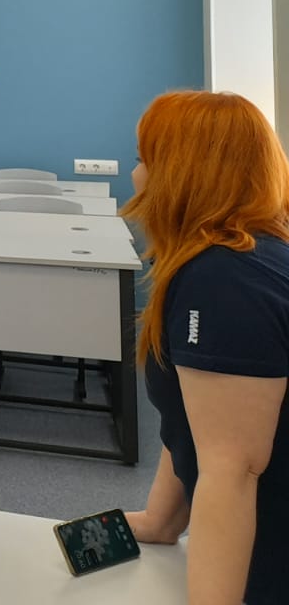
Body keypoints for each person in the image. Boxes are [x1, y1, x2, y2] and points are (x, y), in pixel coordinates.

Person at [121, 90, 289, 605]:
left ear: (180, 173)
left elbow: (232, 470)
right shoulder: (243, 257)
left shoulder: (223, 279)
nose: (135, 174)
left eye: (144, 159)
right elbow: (195, 416)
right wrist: (161, 521)